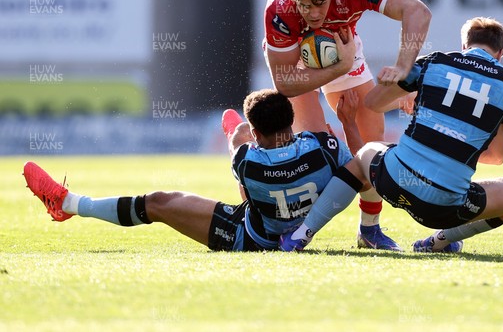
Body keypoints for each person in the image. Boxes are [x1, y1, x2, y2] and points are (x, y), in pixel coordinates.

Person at [23, 89, 397, 251]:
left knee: (157, 202)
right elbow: (357, 161)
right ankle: (370, 232)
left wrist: (236, 133)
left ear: (257, 133)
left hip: (247, 237)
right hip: (296, 221)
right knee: (255, 190)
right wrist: (347, 118)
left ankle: (69, 204)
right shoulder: (322, 147)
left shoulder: (247, 157)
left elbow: (238, 143)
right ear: (291, 122)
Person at [280, 17, 503, 253]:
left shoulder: (434, 61)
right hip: (446, 208)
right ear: (500, 54)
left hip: (393, 182)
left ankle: (303, 234)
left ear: (464, 45)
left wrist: (408, 95)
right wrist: (459, 145)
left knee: (367, 153)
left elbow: (373, 104)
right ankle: (438, 242)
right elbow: (497, 156)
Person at [264, 0, 431, 239]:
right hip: (300, 63)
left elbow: (417, 11)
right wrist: (340, 66)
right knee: (315, 157)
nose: (314, 14)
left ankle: (369, 229)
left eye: (321, 4)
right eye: (305, 5)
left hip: (343, 48)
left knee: (371, 146)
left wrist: (404, 66)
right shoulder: (279, 10)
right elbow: (285, 83)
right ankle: (292, 225)